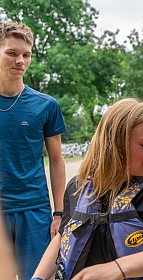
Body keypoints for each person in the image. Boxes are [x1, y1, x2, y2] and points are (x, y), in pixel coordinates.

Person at [31, 98, 143, 280]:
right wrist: (38, 278)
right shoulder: (78, 188)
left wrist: (117, 269)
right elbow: (63, 237)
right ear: (115, 144)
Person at [0, 22, 67, 279]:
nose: (20, 61)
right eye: (12, 53)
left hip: (34, 211)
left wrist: (59, 213)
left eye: (26, 55)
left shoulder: (46, 105)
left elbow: (57, 161)